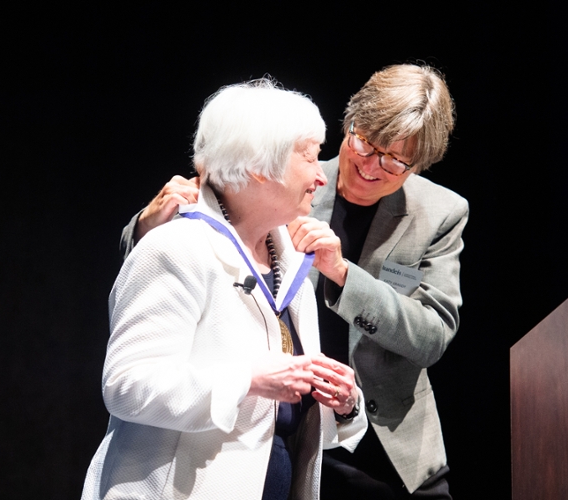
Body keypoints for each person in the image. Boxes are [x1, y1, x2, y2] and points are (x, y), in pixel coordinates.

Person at [121, 64, 467, 499]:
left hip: (390, 445)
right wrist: (147, 226)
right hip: (289, 436)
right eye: (364, 143)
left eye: (396, 160)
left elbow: (431, 337)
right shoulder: (287, 178)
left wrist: (343, 275)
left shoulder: (439, 213)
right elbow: (195, 228)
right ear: (349, 124)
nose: (372, 166)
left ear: (419, 165)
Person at [82, 79, 367, 500]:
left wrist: (344, 403)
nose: (321, 176)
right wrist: (248, 379)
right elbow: (127, 386)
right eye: (309, 157)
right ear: (257, 165)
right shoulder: (175, 248)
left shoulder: (292, 274)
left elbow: (275, 421)